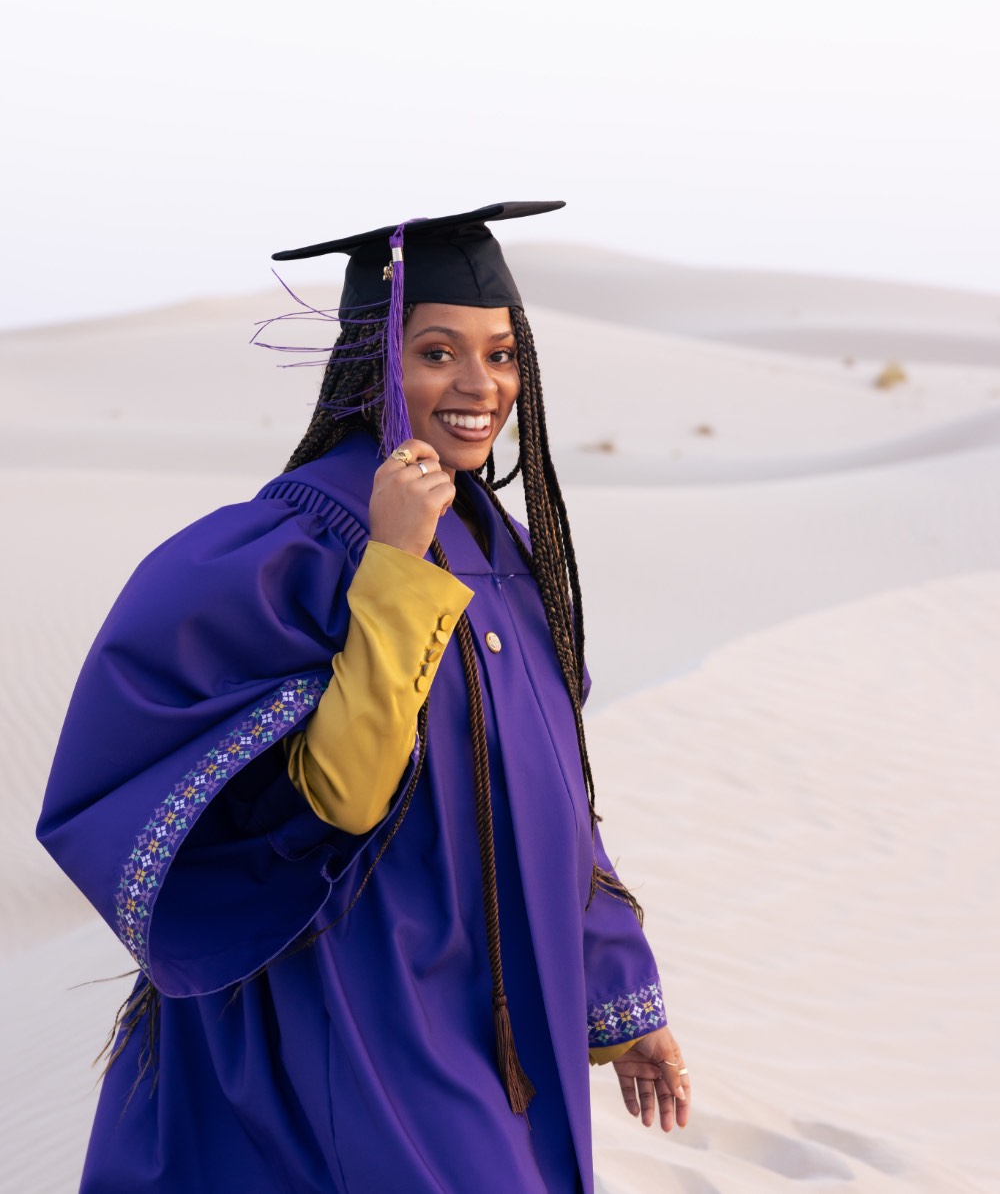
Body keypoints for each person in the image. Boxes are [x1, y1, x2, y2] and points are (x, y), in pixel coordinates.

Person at [38, 202, 690, 1193]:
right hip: (356, 1009)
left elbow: (554, 790)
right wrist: (393, 562)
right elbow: (341, 792)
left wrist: (620, 995)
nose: (480, 386)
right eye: (437, 351)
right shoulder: (288, 546)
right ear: (370, 362)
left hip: (497, 1008)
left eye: (503, 353)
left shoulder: (501, 541)